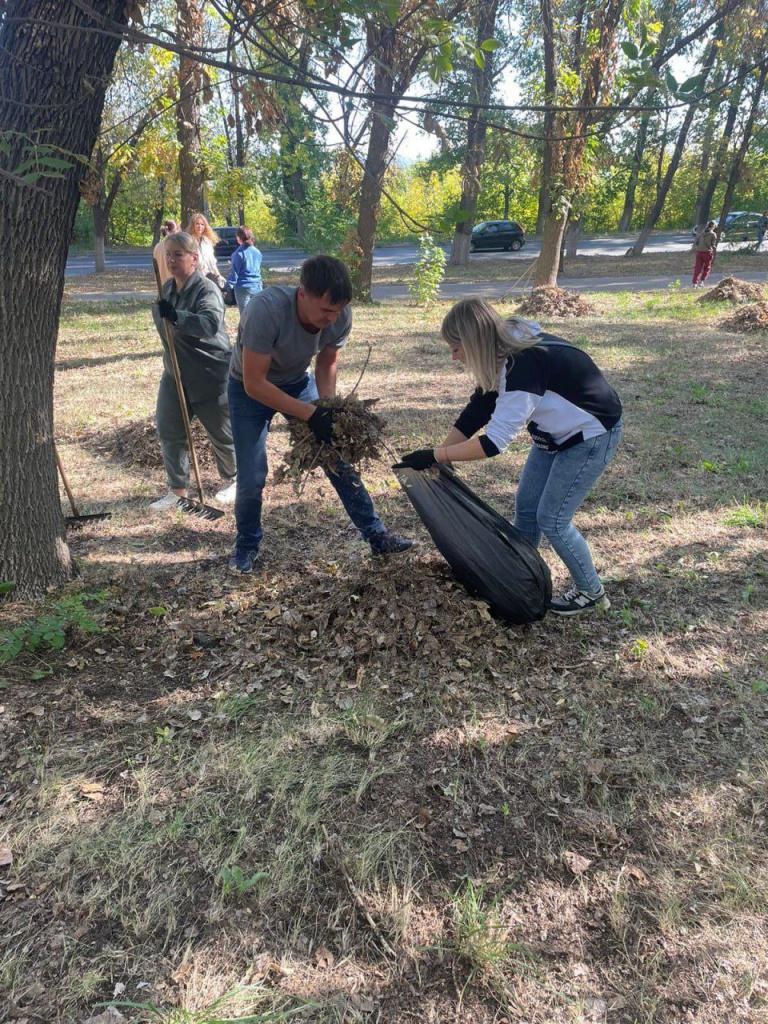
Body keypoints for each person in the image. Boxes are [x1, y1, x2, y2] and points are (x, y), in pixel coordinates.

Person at [398, 299, 623, 616]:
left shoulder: (520, 368)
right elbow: (479, 409)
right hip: (555, 434)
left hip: (591, 433)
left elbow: (493, 443)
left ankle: (591, 592)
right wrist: (439, 456)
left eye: (455, 348)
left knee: (553, 520)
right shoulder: (501, 350)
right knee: (527, 508)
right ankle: (523, 576)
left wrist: (437, 454)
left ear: (474, 342)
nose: (453, 356)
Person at [226, 255, 413, 573]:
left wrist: (328, 411)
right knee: (252, 475)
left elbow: (326, 363)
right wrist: (311, 415)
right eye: (326, 310)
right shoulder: (265, 310)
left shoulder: (340, 316)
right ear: (302, 294)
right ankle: (246, 545)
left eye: (337, 310)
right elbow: (255, 383)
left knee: (336, 457)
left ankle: (377, 535)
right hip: (249, 391)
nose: (332, 317)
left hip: (298, 382)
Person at [150, 231, 237, 509]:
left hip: (210, 373)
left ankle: (234, 480)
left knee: (221, 433)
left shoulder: (206, 289)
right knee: (169, 429)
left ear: (194, 258)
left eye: (178, 254)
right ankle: (178, 492)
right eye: (168, 255)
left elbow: (210, 324)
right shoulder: (165, 289)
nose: (172, 260)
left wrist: (177, 317)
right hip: (175, 373)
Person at [224, 226, 262, 313]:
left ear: (239, 238)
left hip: (243, 288)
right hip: (257, 286)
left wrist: (226, 288)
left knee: (245, 316)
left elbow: (234, 275)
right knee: (257, 314)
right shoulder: (257, 252)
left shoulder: (238, 254)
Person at [187, 212, 225, 287]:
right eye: (197, 224)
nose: (200, 226)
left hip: (208, 276)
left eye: (202, 224)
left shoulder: (207, 242)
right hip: (194, 278)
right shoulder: (189, 241)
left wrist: (218, 275)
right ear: (193, 225)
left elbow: (212, 262)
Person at [692, 220, 717, 288]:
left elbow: (697, 241)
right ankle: (701, 282)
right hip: (707, 253)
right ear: (713, 226)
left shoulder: (702, 232)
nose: (715, 227)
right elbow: (713, 244)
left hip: (699, 252)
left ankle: (694, 283)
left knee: (698, 268)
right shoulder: (713, 234)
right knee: (707, 268)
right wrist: (714, 250)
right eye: (715, 226)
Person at [153, 219, 179, 285]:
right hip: (174, 285)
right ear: (176, 230)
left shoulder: (157, 247)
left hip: (161, 285)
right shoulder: (176, 246)